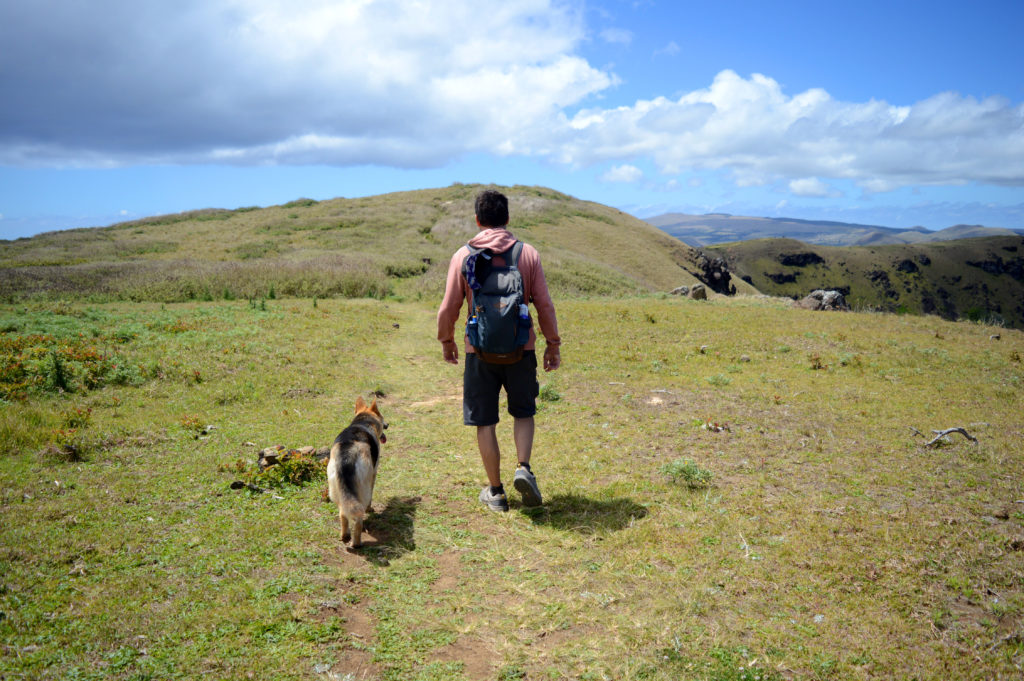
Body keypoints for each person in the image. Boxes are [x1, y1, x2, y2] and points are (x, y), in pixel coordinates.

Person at [437, 189, 561, 512]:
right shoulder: (527, 254)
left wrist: (447, 341)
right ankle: (524, 468)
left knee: (485, 422)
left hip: (479, 352)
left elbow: (448, 307)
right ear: (507, 219)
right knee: (523, 412)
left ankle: (496, 491)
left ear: (478, 220)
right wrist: (553, 344)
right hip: (522, 349)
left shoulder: (462, 257)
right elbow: (545, 305)